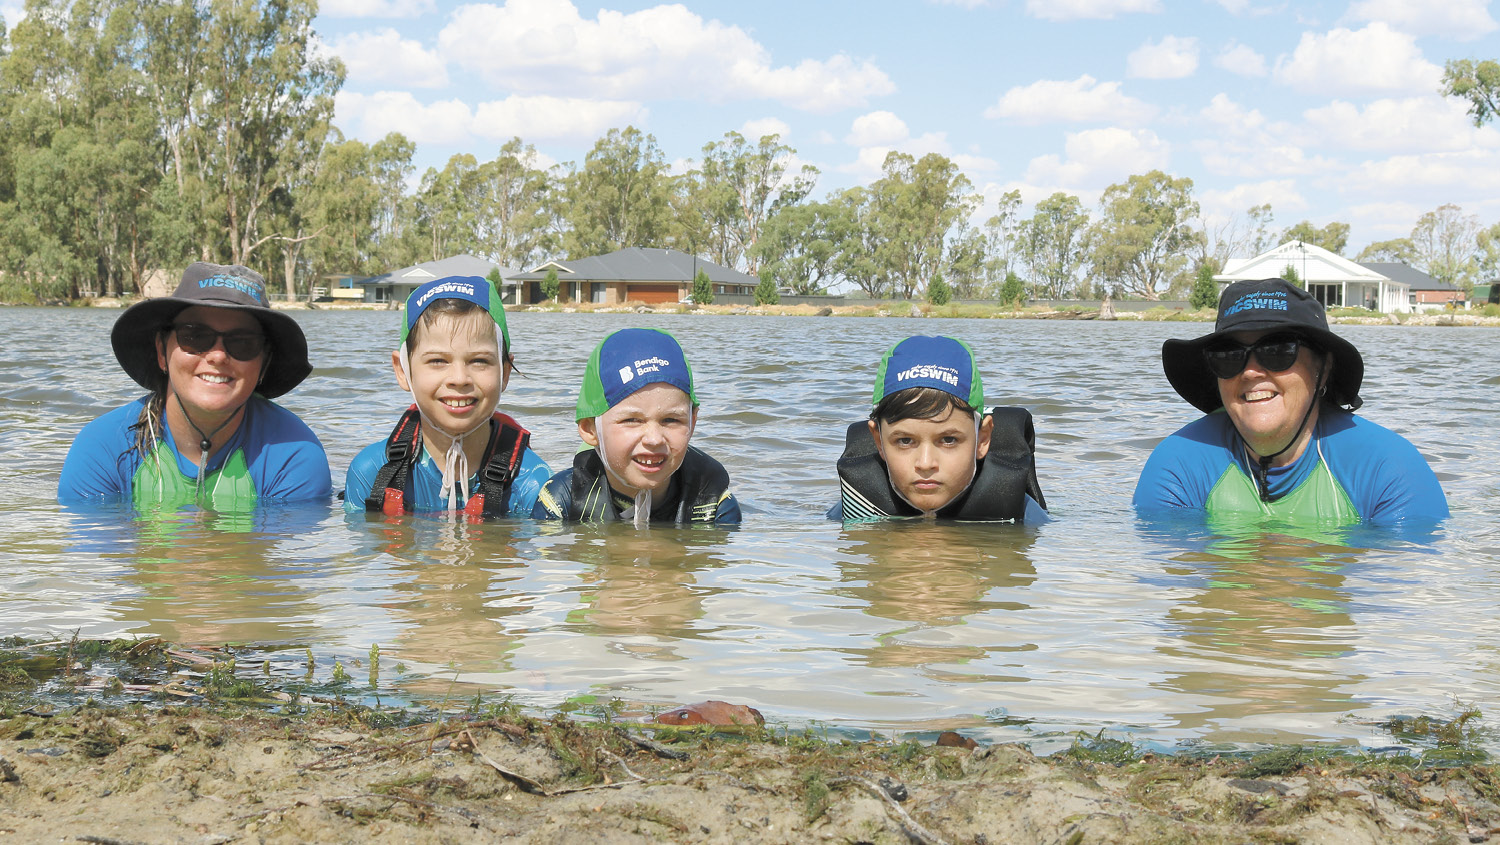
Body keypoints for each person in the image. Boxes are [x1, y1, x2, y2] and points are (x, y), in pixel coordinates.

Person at [1133, 278, 1448, 525]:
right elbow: (1173, 574)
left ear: (1323, 369)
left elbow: (1400, 578)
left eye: (1278, 351)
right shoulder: (1178, 463)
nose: (1251, 372)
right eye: (1228, 356)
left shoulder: (1389, 469)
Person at [59, 262, 331, 507]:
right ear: (161, 351)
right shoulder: (103, 447)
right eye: (195, 336)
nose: (218, 356)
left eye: (243, 342)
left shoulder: (295, 455)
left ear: (265, 361)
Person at [344, 276, 550, 518]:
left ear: (505, 373)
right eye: (438, 361)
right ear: (402, 371)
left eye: (479, 361)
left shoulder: (532, 482)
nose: (459, 379)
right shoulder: (371, 473)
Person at [532, 327, 740, 526]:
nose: (654, 439)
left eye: (671, 420)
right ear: (590, 429)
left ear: (692, 423)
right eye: (632, 420)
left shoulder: (713, 504)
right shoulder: (562, 501)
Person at [829, 335, 1047, 522]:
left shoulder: (1024, 516)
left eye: (949, 440)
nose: (925, 464)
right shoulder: (853, 510)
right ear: (879, 441)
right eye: (905, 441)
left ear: (982, 439)